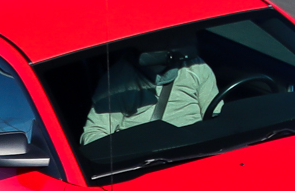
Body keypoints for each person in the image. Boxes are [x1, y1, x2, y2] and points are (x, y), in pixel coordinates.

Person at [81, 42, 216, 143]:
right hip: (147, 162)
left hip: (197, 151)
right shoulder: (117, 80)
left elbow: (216, 117)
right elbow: (94, 136)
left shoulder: (196, 66)